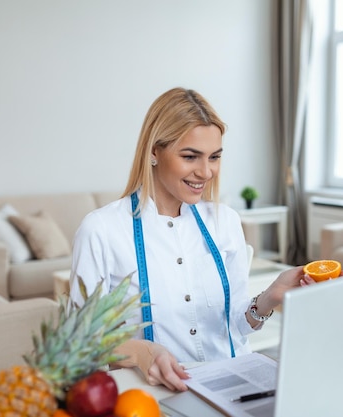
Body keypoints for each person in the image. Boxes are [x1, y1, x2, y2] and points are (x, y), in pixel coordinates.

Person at [70, 87, 315, 392]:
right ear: (154, 152)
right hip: (157, 395)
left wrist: (270, 297)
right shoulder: (102, 230)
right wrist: (143, 352)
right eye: (190, 157)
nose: (206, 171)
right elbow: (81, 343)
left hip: (235, 387)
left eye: (214, 157)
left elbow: (234, 325)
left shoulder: (225, 221)